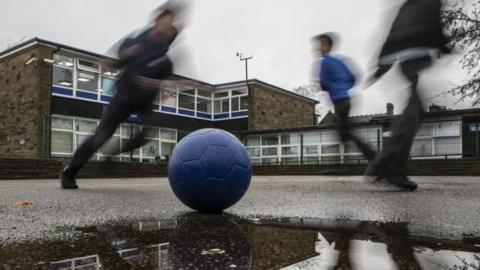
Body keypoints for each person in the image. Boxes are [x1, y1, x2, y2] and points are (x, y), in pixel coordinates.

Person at [60, 2, 186, 189]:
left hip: (145, 101)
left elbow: (166, 81)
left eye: (170, 31)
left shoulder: (165, 60)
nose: (166, 32)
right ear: (157, 21)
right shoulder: (137, 41)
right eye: (165, 24)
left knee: (146, 133)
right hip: (124, 96)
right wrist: (108, 62)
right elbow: (119, 60)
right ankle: (69, 172)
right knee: (100, 135)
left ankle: (113, 152)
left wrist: (156, 83)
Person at [365, 0, 451, 191]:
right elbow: (433, 26)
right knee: (414, 112)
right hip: (414, 56)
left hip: (403, 59)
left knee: (415, 111)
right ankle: (387, 163)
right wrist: (444, 46)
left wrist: (380, 67)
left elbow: (392, 34)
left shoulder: (406, 5)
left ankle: (387, 164)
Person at [312, 33, 376, 163]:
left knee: (346, 133)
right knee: (343, 133)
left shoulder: (325, 62)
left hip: (340, 102)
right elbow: (354, 77)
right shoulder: (339, 61)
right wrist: (343, 87)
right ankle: (339, 164)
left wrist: (332, 87)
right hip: (346, 100)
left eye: (321, 45)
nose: (318, 48)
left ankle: (374, 157)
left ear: (328, 46)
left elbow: (323, 84)